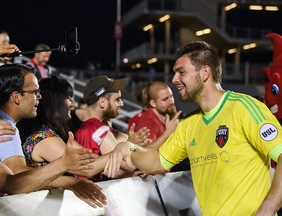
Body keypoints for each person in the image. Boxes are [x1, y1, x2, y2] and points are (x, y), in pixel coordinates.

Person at [104, 41, 282, 215]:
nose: (174, 79)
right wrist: (128, 147)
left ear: (205, 72)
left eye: (181, 72)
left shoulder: (245, 108)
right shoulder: (188, 125)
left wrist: (268, 207)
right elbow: (156, 162)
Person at [0, 63, 106, 207]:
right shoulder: (4, 126)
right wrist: (126, 149)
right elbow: (17, 177)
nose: (39, 97)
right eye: (34, 92)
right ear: (16, 97)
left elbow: (11, 181)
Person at [17, 75, 119, 179]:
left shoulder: (54, 134)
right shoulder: (43, 138)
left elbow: (91, 159)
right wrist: (122, 150)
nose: (73, 105)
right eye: (69, 99)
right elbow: (88, 168)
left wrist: (123, 153)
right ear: (55, 102)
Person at [74, 75, 151, 181]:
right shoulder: (95, 128)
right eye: (117, 99)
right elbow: (130, 167)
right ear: (102, 102)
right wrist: (132, 147)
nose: (121, 103)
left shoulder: (99, 128)